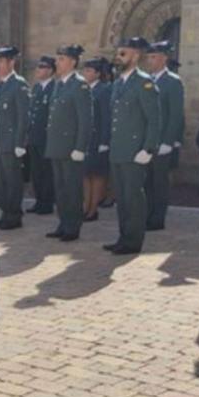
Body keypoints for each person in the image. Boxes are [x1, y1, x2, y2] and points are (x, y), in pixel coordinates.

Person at [104, 37, 159, 255]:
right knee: (122, 197)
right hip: (118, 149)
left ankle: (133, 240)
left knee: (133, 196)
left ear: (136, 56)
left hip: (136, 151)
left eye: (123, 54)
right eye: (118, 54)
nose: (118, 58)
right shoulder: (118, 83)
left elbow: (153, 119)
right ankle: (123, 236)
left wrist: (148, 148)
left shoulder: (144, 82)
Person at [45, 44, 92, 242]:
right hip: (57, 146)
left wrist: (80, 147)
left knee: (72, 189)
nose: (57, 62)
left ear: (73, 62)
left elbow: (85, 120)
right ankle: (63, 223)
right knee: (61, 188)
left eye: (62, 59)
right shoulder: (59, 84)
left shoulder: (79, 85)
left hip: (71, 147)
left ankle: (73, 226)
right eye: (58, 59)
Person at [143, 41, 184, 231]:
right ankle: (147, 213)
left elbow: (175, 114)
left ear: (164, 58)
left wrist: (169, 141)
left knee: (159, 181)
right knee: (146, 181)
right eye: (148, 57)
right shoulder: (146, 80)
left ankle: (157, 218)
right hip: (146, 140)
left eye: (153, 57)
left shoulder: (172, 81)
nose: (149, 61)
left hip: (161, 141)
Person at [0, 46, 31, 230]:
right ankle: (6, 213)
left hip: (12, 143)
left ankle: (14, 215)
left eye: (1, 61)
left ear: (11, 62)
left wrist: (20, 142)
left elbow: (24, 116)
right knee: (2, 181)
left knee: (13, 181)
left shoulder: (19, 84)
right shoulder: (0, 85)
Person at [26, 55, 57, 214]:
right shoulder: (37, 87)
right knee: (36, 172)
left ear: (51, 70)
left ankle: (46, 203)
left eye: (42, 67)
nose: (38, 70)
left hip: (47, 138)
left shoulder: (54, 88)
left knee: (46, 172)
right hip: (35, 137)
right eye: (38, 66)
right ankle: (39, 201)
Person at [82, 56, 112, 222]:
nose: (85, 73)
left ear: (97, 73)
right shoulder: (85, 88)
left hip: (98, 138)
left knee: (97, 175)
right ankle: (86, 206)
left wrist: (104, 141)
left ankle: (93, 209)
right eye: (84, 70)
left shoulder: (104, 90)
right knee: (86, 175)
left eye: (89, 70)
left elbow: (107, 117)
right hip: (87, 139)